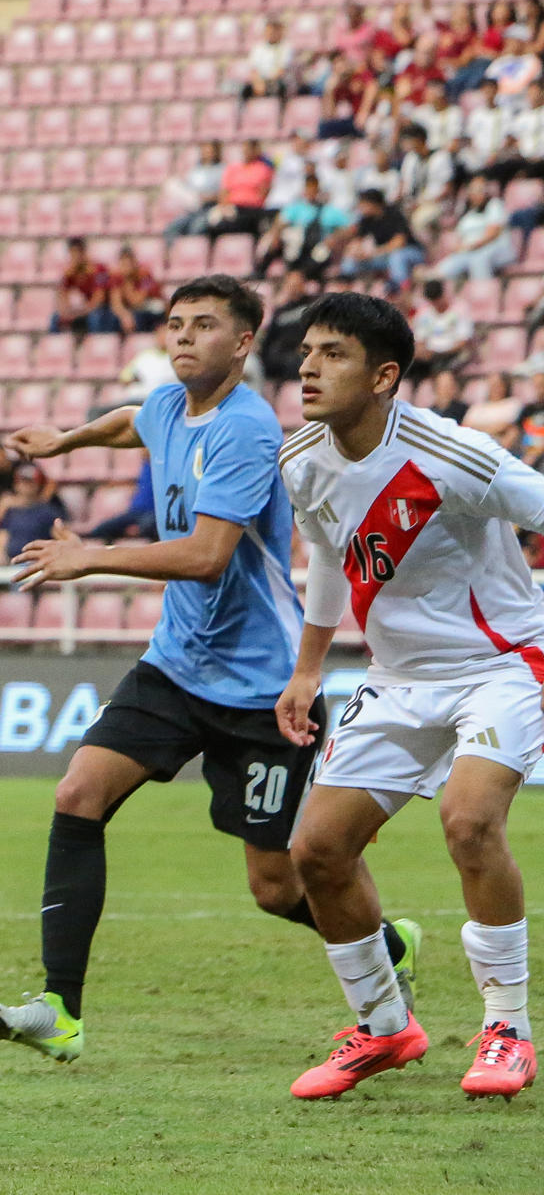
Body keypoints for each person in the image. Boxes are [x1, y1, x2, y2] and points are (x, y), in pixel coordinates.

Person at [0, 275, 414, 1062]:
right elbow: (131, 422)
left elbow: (210, 557)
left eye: (204, 325)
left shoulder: (246, 430)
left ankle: (384, 944)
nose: (181, 337)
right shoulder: (170, 406)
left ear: (242, 344)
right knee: (79, 793)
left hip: (261, 685)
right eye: (174, 324)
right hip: (176, 664)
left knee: (276, 887)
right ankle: (59, 1011)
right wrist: (65, 441)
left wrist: (90, 558)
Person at [277, 293, 539, 1101]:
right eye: (308, 352)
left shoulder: (452, 453)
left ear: (385, 375)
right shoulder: (302, 460)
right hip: (395, 678)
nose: (310, 368)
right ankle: (385, 1028)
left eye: (334, 354)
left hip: (500, 665)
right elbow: (329, 559)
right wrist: (308, 667)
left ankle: (507, 1031)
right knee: (315, 852)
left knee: (469, 819)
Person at [258, 172, 351, 280]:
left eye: (314, 188)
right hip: (296, 246)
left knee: (321, 253)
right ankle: (261, 273)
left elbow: (349, 227)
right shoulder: (296, 207)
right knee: (278, 240)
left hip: (318, 246)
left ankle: (303, 276)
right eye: (308, 188)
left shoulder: (329, 210)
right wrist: (275, 236)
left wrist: (334, 238)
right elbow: (281, 222)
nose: (310, 192)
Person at [335, 189, 426, 290]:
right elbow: (358, 240)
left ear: (373, 203)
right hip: (383, 255)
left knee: (397, 257)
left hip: (411, 252)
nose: (360, 207)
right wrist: (357, 252)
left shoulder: (393, 214)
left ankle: (402, 289)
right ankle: (344, 286)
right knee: (351, 260)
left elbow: (399, 243)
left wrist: (373, 253)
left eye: (363, 204)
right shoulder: (366, 219)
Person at [432, 175, 516, 282]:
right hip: (469, 251)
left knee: (479, 259)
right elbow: (459, 238)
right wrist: (459, 247)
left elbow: (492, 233)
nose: (477, 193)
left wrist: (471, 245)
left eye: (480, 190)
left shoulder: (494, 205)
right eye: (473, 190)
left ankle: (483, 294)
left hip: (495, 248)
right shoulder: (468, 215)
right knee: (446, 268)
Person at [0, 463, 69, 564]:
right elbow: (0, 540)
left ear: (38, 485)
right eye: (22, 481)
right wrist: (1, 562)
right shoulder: (11, 512)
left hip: (36, 563)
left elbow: (63, 539)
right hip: (12, 563)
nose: (25, 485)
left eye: (30, 482)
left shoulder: (49, 512)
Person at [410, 278, 477, 380]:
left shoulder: (460, 309)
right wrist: (423, 351)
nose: (436, 305)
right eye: (433, 301)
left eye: (437, 300)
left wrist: (440, 353)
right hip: (430, 354)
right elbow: (419, 339)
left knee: (441, 368)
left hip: (453, 353)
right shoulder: (424, 312)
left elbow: (463, 341)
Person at [51, 237, 117, 336]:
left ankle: (97, 345)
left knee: (95, 317)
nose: (76, 256)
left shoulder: (99, 269)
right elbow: (62, 296)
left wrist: (81, 312)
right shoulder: (71, 273)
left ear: (84, 252)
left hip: (106, 308)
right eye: (72, 253)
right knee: (56, 318)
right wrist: (67, 311)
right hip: (87, 308)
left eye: (78, 252)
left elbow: (99, 299)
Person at [164, 141, 226, 238]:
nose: (207, 152)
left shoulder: (222, 170)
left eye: (210, 150)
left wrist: (209, 197)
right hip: (193, 209)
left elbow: (225, 194)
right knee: (171, 229)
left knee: (196, 228)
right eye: (205, 149)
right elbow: (188, 189)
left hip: (210, 209)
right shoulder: (195, 170)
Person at [107, 246, 165, 335]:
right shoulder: (116, 277)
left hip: (151, 308)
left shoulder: (145, 275)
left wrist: (127, 282)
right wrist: (125, 316)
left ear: (134, 263)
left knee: (139, 317)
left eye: (128, 263)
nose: (125, 267)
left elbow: (137, 301)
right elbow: (116, 304)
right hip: (132, 309)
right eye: (123, 263)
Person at [244, 17, 295, 99]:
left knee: (279, 87)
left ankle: (281, 110)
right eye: (268, 31)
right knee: (245, 89)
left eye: (273, 31)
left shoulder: (286, 48)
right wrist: (258, 82)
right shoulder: (258, 48)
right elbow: (253, 70)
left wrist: (267, 83)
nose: (270, 34)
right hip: (260, 81)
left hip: (276, 81)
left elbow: (281, 70)